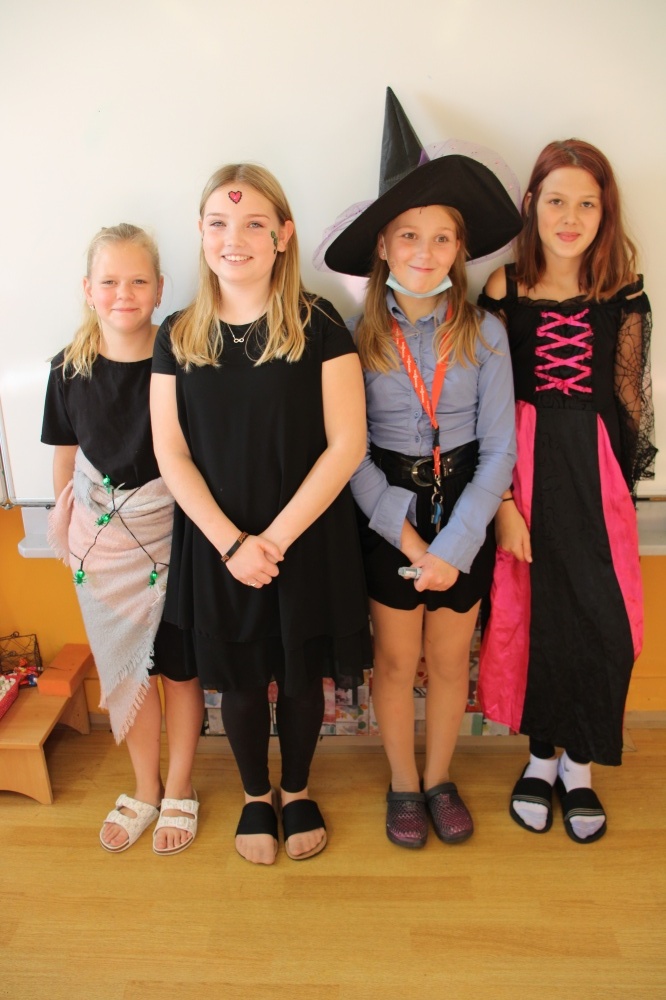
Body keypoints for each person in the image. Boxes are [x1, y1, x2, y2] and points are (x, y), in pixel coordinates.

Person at [150, 163, 370, 865]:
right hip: (216, 540)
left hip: (305, 533)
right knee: (240, 677)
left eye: (253, 223)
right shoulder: (176, 335)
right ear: (200, 232)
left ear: (283, 235)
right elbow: (171, 452)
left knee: (302, 675)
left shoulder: (318, 322)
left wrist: (270, 540)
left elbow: (347, 443)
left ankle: (296, 788)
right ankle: (255, 795)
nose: (234, 238)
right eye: (219, 222)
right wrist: (231, 544)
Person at [320, 89, 521, 848]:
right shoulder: (353, 338)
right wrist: (408, 542)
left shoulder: (488, 333)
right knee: (397, 658)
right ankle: (403, 782)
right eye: (409, 235)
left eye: (441, 238)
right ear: (382, 245)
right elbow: (349, 451)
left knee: (447, 657)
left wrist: (455, 546)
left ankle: (440, 778)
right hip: (387, 512)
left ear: (460, 248)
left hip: (465, 505)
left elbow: (500, 450)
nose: (424, 252)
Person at [477, 139, 656, 843]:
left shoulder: (623, 290)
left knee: (603, 621)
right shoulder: (504, 289)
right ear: (532, 205)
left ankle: (581, 765)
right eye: (557, 200)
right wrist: (502, 502)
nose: (571, 217)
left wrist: (623, 492)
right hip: (523, 471)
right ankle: (542, 759)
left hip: (597, 473)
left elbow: (629, 399)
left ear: (605, 212)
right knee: (536, 616)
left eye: (587, 203)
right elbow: (486, 405)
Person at [42, 224, 204, 855]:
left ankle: (180, 787)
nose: (123, 294)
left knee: (179, 672)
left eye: (138, 281)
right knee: (129, 676)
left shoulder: (182, 360)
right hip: (102, 555)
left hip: (176, 545)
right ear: (87, 289)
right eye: (109, 281)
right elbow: (65, 461)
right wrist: (78, 536)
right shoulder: (68, 368)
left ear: (160, 288)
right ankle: (145, 786)